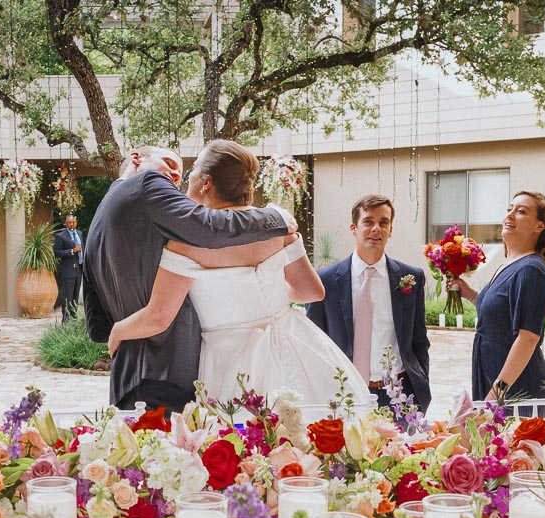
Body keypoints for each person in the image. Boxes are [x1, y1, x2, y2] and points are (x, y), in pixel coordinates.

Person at [107, 140, 370, 409]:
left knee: (241, 439)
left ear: (206, 182)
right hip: (298, 345)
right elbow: (312, 291)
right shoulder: (277, 224)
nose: (189, 176)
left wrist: (117, 331)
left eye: (194, 169)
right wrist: (273, 293)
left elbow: (158, 317)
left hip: (230, 360)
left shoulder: (185, 244)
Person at [83, 144, 294, 412]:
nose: (175, 176)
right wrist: (274, 217)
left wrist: (120, 331)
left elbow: (96, 325)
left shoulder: (99, 221)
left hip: (127, 378)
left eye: (181, 173)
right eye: (169, 164)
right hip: (167, 374)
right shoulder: (148, 183)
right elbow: (205, 228)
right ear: (136, 158)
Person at [305, 195, 430, 412]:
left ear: (390, 229)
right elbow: (314, 344)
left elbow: (419, 341)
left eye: (383, 222)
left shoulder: (412, 278)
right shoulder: (324, 281)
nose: (376, 228)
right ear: (354, 228)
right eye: (368, 221)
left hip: (399, 396)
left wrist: (421, 381)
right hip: (343, 395)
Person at [450, 191, 545, 404]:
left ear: (539, 226)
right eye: (509, 209)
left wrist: (497, 393)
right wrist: (471, 294)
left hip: (518, 391)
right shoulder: (508, 265)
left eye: (521, 212)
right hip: (495, 382)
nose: (510, 215)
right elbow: (500, 316)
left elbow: (528, 337)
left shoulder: (531, 269)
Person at [53, 214, 84, 321]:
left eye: (73, 222)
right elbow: (57, 252)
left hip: (78, 271)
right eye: (69, 222)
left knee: (75, 297)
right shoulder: (61, 236)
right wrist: (72, 251)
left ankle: (74, 319)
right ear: (66, 223)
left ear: (76, 223)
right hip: (67, 271)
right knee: (67, 297)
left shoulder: (79, 233)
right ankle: (65, 320)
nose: (72, 224)